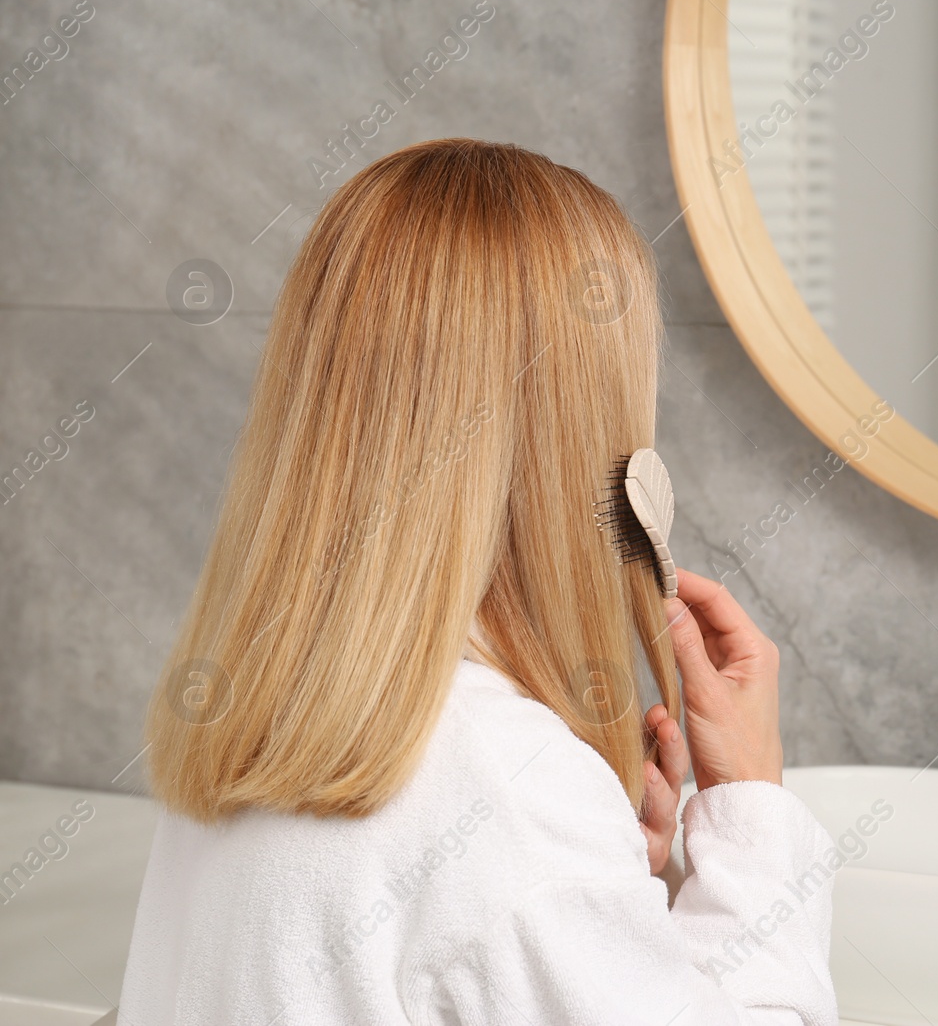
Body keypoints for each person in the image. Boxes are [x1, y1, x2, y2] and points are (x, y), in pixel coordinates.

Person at [121, 138, 838, 1024]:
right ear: (586, 435)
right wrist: (750, 809)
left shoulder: (250, 740)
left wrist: (602, 887)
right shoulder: (511, 788)